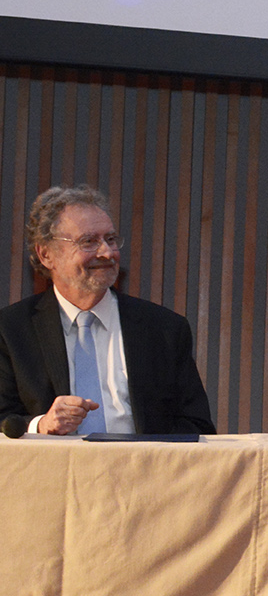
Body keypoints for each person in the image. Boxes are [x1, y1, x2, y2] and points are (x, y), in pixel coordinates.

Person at [0, 185, 215, 435]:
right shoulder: (11, 330)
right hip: (52, 472)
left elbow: (197, 426)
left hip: (141, 471)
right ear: (46, 255)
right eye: (89, 242)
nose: (107, 253)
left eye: (110, 239)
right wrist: (41, 425)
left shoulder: (164, 329)